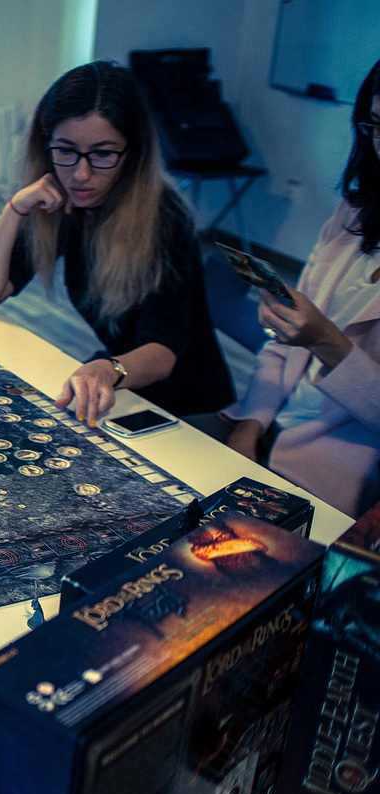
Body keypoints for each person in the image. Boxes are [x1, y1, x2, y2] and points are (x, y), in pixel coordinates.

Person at [0, 60, 233, 423]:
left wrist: (107, 368)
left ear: (132, 153)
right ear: (45, 145)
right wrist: (15, 208)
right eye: (65, 150)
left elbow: (162, 354)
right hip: (121, 387)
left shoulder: (165, 217)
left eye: (103, 154)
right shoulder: (63, 200)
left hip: (186, 406)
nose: (81, 174)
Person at [218, 58, 380, 519]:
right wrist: (250, 424)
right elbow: (281, 346)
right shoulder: (352, 214)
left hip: (328, 476)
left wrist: (326, 340)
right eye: (376, 126)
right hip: (263, 427)